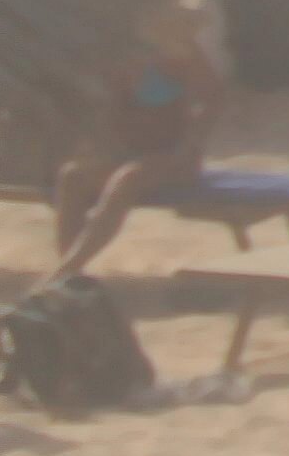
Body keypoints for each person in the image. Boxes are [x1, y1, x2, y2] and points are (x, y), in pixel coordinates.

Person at [45, 40, 209, 279]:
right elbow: (110, 122)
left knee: (127, 178)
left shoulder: (176, 50)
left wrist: (193, 139)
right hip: (131, 153)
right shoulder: (117, 54)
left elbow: (213, 98)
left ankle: (66, 270)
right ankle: (71, 274)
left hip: (174, 155)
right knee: (72, 175)